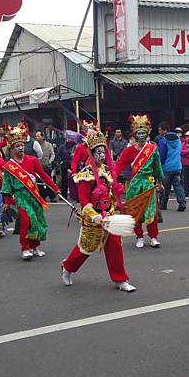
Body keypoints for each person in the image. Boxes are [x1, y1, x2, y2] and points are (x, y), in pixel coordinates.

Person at [61, 124, 136, 292]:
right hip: (93, 219)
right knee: (85, 249)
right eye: (98, 152)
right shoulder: (86, 174)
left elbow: (110, 196)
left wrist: (116, 197)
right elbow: (83, 200)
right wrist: (94, 215)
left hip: (109, 216)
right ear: (91, 154)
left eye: (103, 152)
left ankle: (121, 279)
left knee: (115, 246)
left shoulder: (108, 171)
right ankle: (67, 268)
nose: (101, 155)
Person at [1, 122, 59, 260]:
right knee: (27, 220)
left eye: (22, 145)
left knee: (37, 221)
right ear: (12, 148)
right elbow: (7, 185)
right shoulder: (9, 166)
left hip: (34, 194)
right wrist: (7, 201)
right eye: (17, 146)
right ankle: (25, 247)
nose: (20, 148)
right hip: (20, 196)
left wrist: (55, 188)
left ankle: (35, 246)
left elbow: (44, 176)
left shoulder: (32, 160)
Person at [115, 114, 165, 248]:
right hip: (135, 184)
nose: (141, 135)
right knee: (135, 211)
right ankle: (139, 236)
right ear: (135, 134)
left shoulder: (152, 149)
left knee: (151, 212)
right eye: (139, 133)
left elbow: (157, 167)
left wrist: (159, 182)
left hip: (149, 183)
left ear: (147, 133)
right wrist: (111, 178)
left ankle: (153, 237)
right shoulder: (129, 151)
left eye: (143, 132)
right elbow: (119, 165)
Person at [158, 128, 186, 212]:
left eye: (160, 130)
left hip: (166, 167)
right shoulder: (178, 140)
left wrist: (160, 165)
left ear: (164, 131)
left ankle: (163, 204)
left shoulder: (163, 141)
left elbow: (162, 155)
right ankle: (182, 202)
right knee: (178, 185)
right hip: (177, 166)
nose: (159, 132)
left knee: (165, 187)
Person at [35, 130, 56, 202]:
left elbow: (53, 155)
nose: (36, 137)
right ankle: (42, 197)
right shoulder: (35, 145)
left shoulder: (48, 145)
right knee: (39, 184)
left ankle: (52, 197)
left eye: (38, 136)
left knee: (48, 182)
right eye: (36, 136)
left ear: (42, 137)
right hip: (37, 168)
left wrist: (49, 162)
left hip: (47, 167)